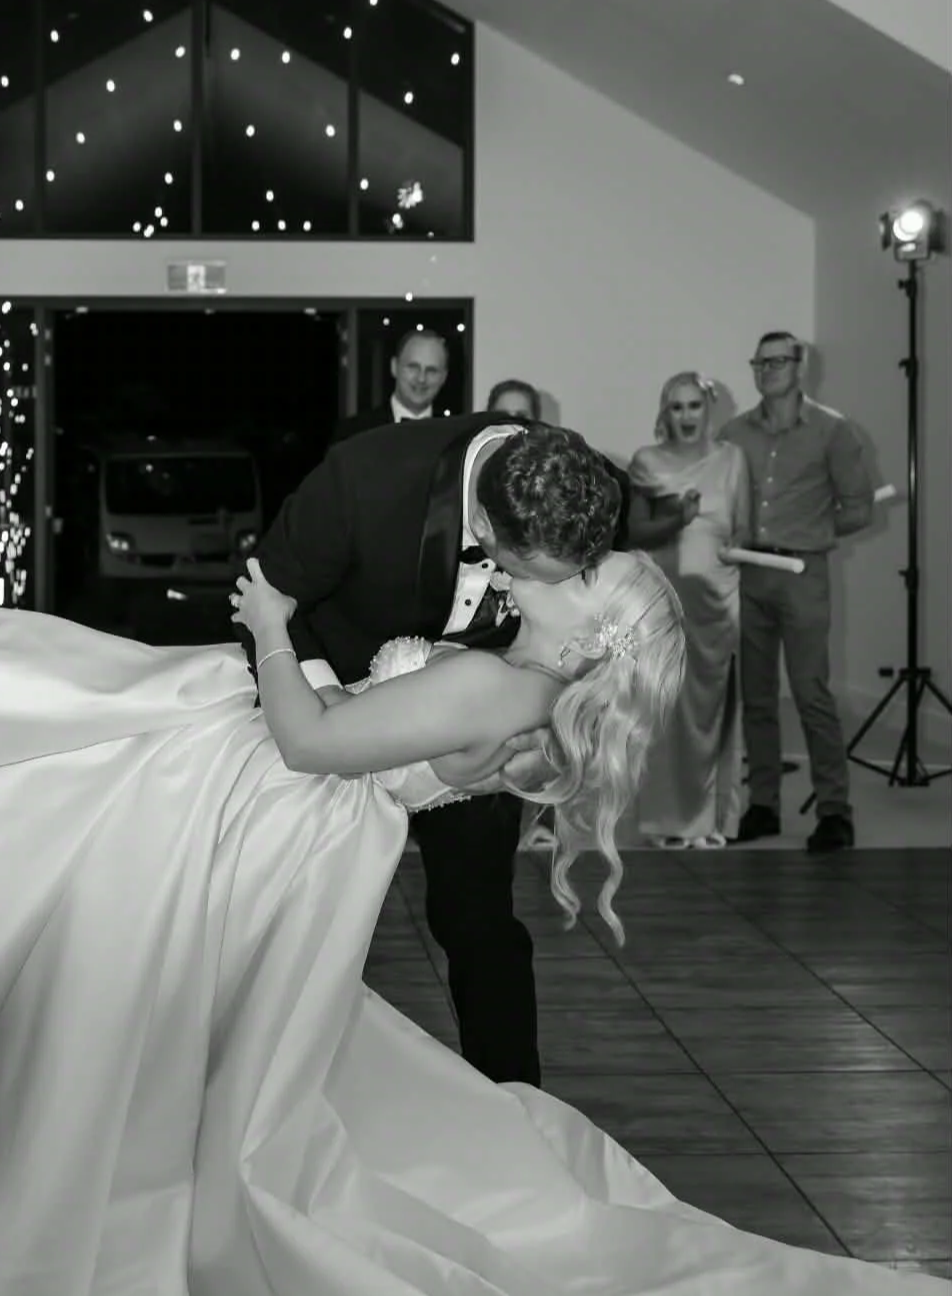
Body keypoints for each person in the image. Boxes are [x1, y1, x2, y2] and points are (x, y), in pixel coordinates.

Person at [0, 483, 949, 1296]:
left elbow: (311, 737)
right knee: (52, 719)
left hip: (263, 806)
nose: (534, 572)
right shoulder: (533, 702)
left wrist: (273, 625)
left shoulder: (493, 681)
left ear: (596, 628)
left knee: (35, 719)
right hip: (307, 838)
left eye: (569, 579)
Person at [245, 416, 626, 1085]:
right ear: (482, 523)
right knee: (303, 929)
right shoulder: (365, 481)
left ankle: (514, 1104)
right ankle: (285, 1093)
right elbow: (271, 588)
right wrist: (333, 700)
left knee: (479, 918)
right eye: (527, 573)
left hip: (478, 722)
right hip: (336, 700)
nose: (524, 591)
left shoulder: (582, 492)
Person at [720, 330, 875, 852]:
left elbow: (859, 507)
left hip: (803, 575)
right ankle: (762, 805)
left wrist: (812, 535)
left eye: (779, 361)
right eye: (760, 363)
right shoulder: (735, 433)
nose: (768, 370)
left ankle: (835, 811)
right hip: (750, 576)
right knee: (757, 697)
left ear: (799, 366)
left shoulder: (833, 431)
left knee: (811, 693)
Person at [628, 371, 749, 847]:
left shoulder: (733, 460)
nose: (685, 416)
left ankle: (710, 820)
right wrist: (681, 516)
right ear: (664, 412)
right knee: (666, 709)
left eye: (694, 405)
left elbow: (743, 532)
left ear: (708, 409)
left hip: (720, 599)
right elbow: (637, 532)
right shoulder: (646, 461)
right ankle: (667, 821)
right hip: (667, 598)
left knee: (714, 708)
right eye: (676, 406)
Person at [333, 329, 448, 441]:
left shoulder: (456, 436)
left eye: (431, 370)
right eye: (413, 367)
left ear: (444, 377)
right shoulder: (354, 432)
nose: (421, 378)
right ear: (394, 367)